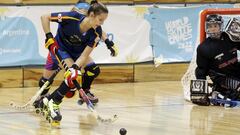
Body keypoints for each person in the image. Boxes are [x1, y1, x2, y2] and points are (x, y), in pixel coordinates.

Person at [33, 0, 118, 108]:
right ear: (91, 14)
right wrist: (49, 36)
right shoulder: (72, 17)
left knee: (82, 73)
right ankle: (44, 97)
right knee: (46, 81)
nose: (101, 23)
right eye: (100, 20)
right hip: (60, 49)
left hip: (76, 53)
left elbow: (84, 56)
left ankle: (52, 101)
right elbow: (44, 17)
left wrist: (74, 67)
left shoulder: (96, 31)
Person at [193, 14, 240, 106]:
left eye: (215, 26)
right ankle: (218, 92)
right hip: (221, 77)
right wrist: (200, 93)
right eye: (210, 26)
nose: (213, 29)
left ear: (221, 26)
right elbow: (201, 71)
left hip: (236, 70)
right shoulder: (204, 48)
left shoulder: (231, 37)